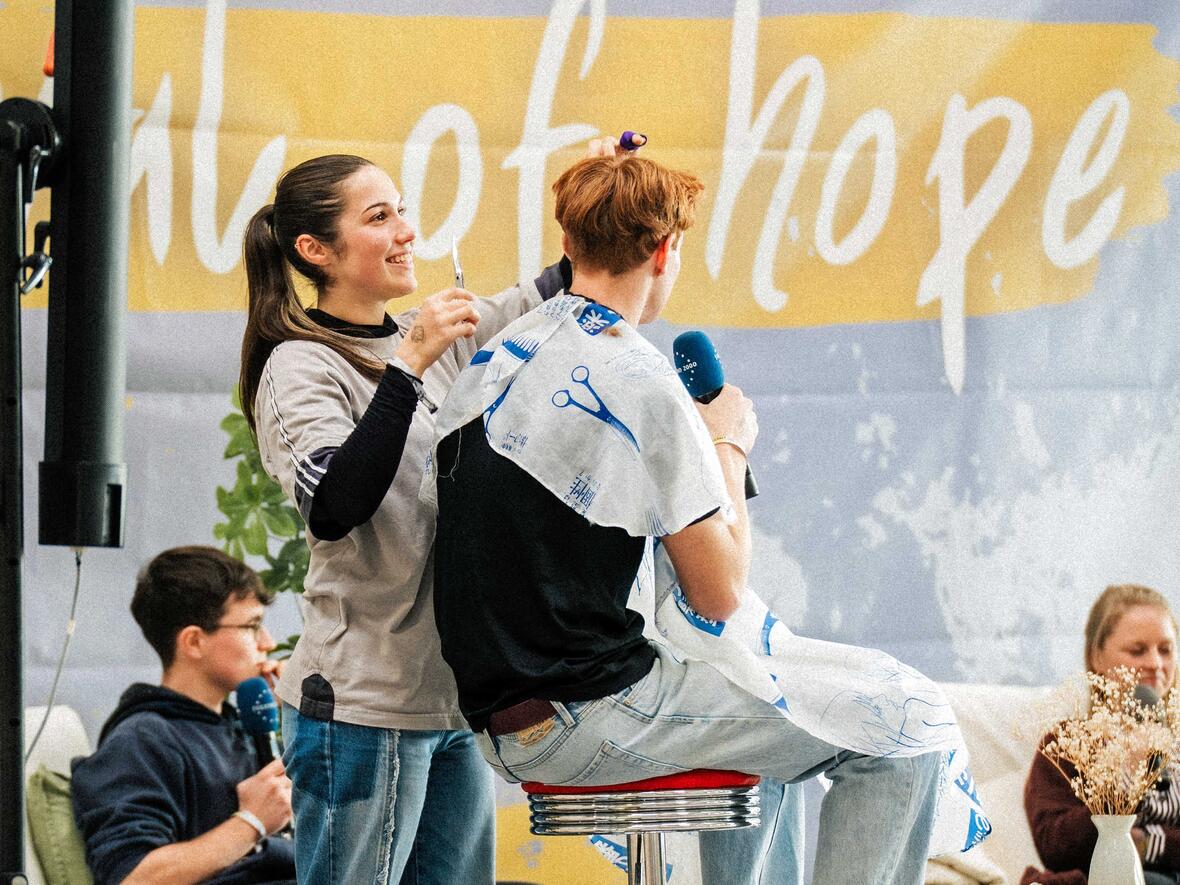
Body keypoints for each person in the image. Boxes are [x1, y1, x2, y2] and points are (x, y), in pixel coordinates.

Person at [426, 153, 980, 884]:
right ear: (664, 251)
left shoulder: (500, 356)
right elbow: (717, 593)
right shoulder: (637, 378)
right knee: (906, 724)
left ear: (568, 243)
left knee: (786, 726)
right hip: (589, 716)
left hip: (501, 721)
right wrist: (726, 442)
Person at [238, 150, 589, 883]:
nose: (406, 230)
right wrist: (408, 365)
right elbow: (334, 505)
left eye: (401, 210)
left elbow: (553, 294)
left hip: (449, 703)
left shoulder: (439, 339)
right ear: (315, 250)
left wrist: (598, 197)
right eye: (379, 217)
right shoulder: (300, 366)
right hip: (361, 708)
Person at [71, 546, 295, 885]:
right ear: (193, 642)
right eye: (252, 626)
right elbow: (132, 877)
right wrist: (251, 823)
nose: (268, 642)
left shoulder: (235, 726)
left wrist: (301, 715)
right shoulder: (142, 740)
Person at [1024, 584, 1180, 885]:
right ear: (1096, 656)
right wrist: (1125, 779)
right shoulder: (1067, 744)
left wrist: (1148, 842)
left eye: (1165, 649)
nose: (1155, 664)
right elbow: (1055, 847)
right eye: (1137, 650)